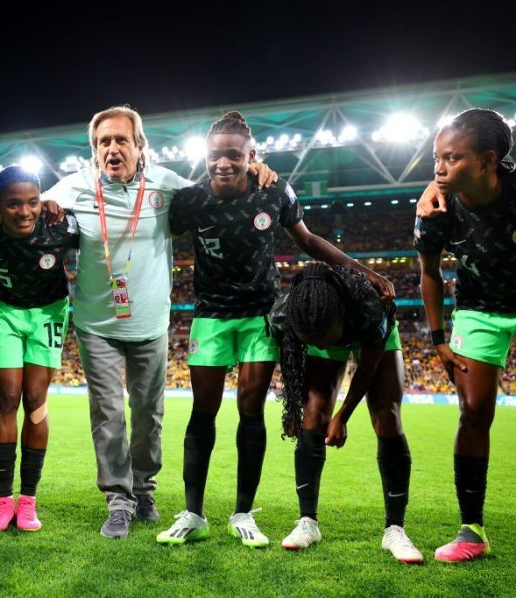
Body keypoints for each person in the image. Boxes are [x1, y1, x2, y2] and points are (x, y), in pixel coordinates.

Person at [157, 111, 393, 547]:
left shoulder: (274, 191)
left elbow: (308, 240)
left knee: (251, 410)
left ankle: (243, 513)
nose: (223, 163)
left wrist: (363, 271)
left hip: (261, 316)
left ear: (251, 156)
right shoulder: (190, 201)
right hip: (210, 314)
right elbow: (148, 226)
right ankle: (193, 513)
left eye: (234, 155)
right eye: (214, 155)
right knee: (202, 411)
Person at [43, 105, 277, 538]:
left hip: (150, 324)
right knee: (108, 413)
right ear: (94, 150)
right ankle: (119, 499)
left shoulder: (168, 186)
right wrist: (43, 206)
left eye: (121, 140)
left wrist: (256, 167)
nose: (112, 149)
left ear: (140, 146)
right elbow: (24, 207)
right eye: (103, 142)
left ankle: (144, 490)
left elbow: (219, 187)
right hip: (96, 324)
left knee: (149, 414)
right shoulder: (73, 187)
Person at [267, 262, 422, 562]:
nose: (320, 346)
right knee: (313, 414)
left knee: (387, 415)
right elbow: (290, 358)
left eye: (322, 340)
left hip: (366, 333)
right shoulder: (287, 314)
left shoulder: (371, 308)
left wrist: (343, 415)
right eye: (312, 342)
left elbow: (368, 368)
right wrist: (294, 407)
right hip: (325, 325)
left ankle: (395, 529)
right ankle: (307, 522)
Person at [415, 108, 516, 562]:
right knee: (473, 412)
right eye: (436, 158)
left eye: (452, 158)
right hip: (478, 310)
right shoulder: (435, 211)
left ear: (488, 160)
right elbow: (429, 274)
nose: (439, 169)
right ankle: (471, 531)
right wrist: (438, 339)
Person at [0, 165, 79, 532]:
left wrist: (58, 205)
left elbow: (103, 236)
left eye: (32, 202)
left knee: (34, 400)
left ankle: (28, 501)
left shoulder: (60, 226)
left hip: (49, 312)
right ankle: (3, 502)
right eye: (14, 204)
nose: (25, 211)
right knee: (8, 398)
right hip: (6, 313)